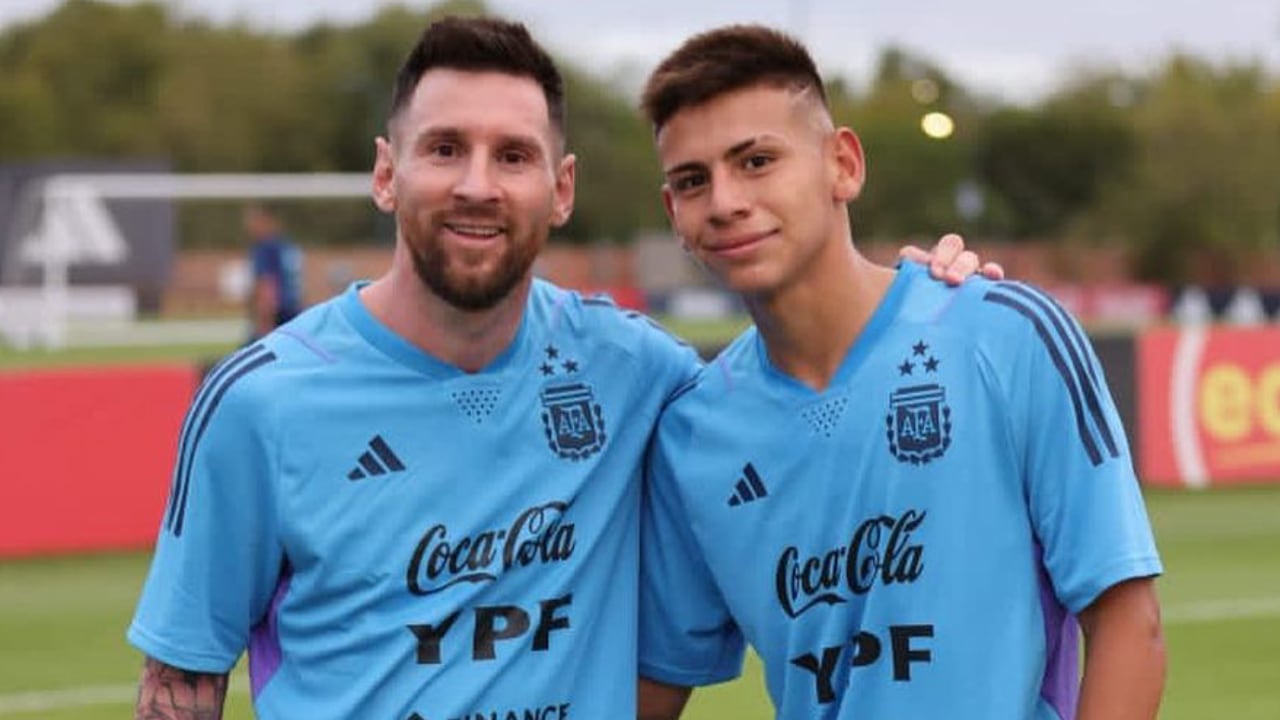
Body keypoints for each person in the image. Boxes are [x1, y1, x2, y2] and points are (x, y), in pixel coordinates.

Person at [127, 16, 994, 720]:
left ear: (562, 187)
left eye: (513, 156)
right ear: (387, 174)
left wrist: (925, 294)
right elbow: (180, 686)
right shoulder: (259, 403)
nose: (477, 185)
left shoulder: (639, 375)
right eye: (443, 150)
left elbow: (798, 386)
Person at [636, 25, 1165, 720]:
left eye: (757, 160)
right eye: (693, 181)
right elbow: (653, 687)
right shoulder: (692, 433)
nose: (727, 200)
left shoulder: (1006, 334)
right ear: (675, 213)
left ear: (843, 165)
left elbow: (1131, 624)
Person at [242, 203, 304, 342]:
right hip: (294, 312)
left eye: (253, 221)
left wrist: (264, 323)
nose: (249, 227)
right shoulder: (288, 245)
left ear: (265, 220)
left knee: (247, 358)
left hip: (276, 316)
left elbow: (268, 285)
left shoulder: (264, 248)